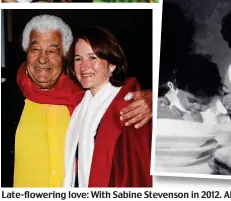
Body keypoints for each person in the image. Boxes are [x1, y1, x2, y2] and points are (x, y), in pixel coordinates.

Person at [8, 15, 152, 188]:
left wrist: (156, 100)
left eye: (52, 51)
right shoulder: (7, 99)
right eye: (35, 49)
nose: (42, 59)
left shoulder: (127, 108)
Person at [63, 26, 152, 187]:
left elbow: (139, 174)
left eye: (92, 58)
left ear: (112, 64)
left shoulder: (131, 108)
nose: (83, 66)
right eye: (78, 59)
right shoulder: (79, 109)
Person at [158, 54, 229, 124]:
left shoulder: (214, 105)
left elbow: (225, 125)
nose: (198, 107)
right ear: (176, 87)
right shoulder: (168, 103)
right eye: (192, 101)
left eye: (205, 103)